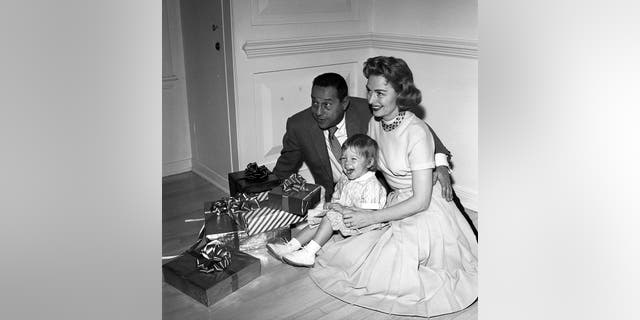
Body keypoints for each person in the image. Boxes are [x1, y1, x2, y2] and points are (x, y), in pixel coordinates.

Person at [308, 56, 478, 317]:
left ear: (400, 93)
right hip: (396, 199)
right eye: (369, 91)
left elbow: (420, 201)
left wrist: (372, 216)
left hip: (424, 208)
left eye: (380, 93)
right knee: (351, 255)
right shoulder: (374, 124)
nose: (371, 100)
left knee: (396, 272)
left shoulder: (417, 132)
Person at [272, 72, 454, 204]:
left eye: (327, 105)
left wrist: (441, 165)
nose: (318, 112)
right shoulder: (299, 125)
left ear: (344, 103)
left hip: (376, 194)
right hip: (338, 196)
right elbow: (284, 169)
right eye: (314, 103)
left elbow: (416, 128)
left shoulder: (367, 110)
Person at [266, 134, 387, 267]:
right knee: (317, 220)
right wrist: (332, 204)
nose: (347, 163)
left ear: (369, 163)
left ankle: (309, 253)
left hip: (364, 224)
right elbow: (338, 196)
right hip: (344, 216)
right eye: (343, 158)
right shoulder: (345, 178)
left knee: (330, 218)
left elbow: (368, 214)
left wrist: (341, 209)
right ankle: (291, 246)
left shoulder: (371, 185)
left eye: (354, 159)